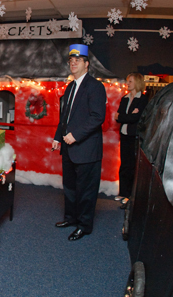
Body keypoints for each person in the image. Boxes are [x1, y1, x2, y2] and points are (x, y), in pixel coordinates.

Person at [52, 44, 107, 241]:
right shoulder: (70, 87)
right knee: (70, 187)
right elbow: (64, 116)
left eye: (77, 60)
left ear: (87, 64)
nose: (73, 63)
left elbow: (97, 117)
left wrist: (75, 135)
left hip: (86, 148)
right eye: (71, 61)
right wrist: (58, 136)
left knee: (86, 191)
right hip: (68, 148)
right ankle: (71, 218)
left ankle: (84, 226)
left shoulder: (95, 86)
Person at [115, 73, 148, 208]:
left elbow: (137, 118)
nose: (127, 83)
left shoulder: (143, 99)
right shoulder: (124, 99)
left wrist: (126, 116)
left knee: (134, 166)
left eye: (130, 81)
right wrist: (129, 115)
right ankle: (123, 193)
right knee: (124, 165)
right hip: (125, 135)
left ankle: (131, 196)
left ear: (137, 82)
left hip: (135, 137)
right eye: (127, 81)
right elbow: (118, 117)